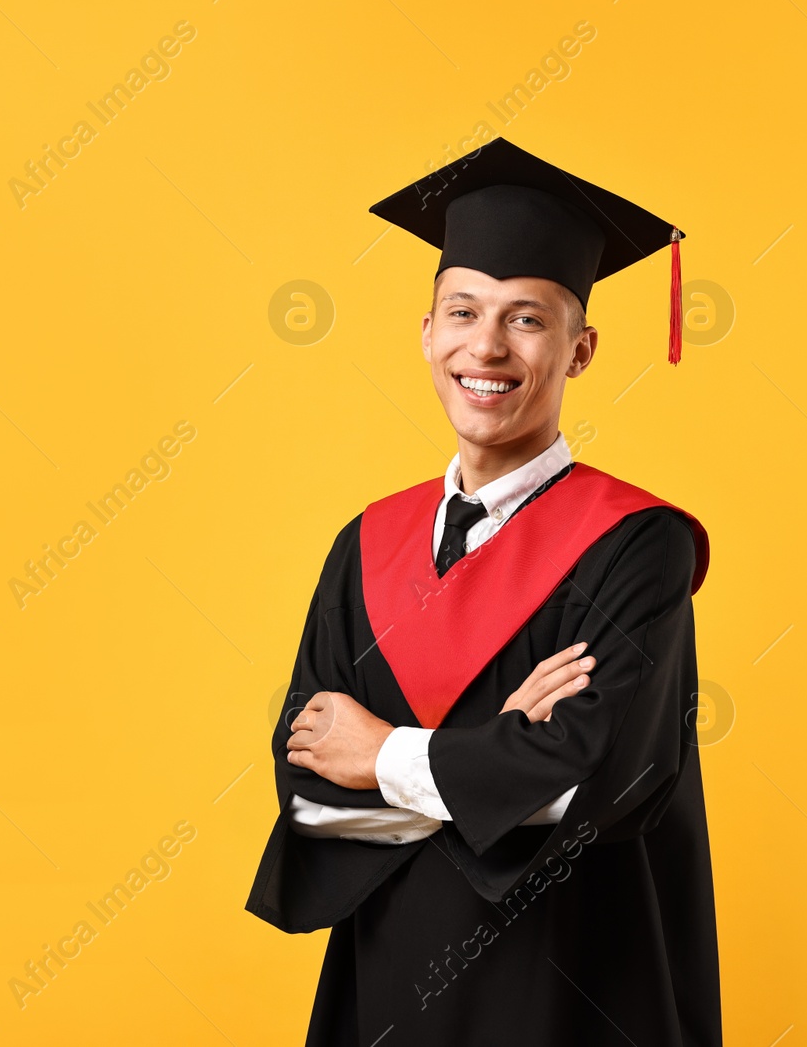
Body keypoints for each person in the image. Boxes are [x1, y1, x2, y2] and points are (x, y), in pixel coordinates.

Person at [246, 137, 721, 1046]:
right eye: (462, 310)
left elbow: (596, 786)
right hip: (387, 989)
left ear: (580, 351)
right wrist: (498, 754)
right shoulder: (366, 544)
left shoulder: (636, 545)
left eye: (527, 319)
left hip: (571, 989)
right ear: (426, 334)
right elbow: (307, 789)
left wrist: (384, 752)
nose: (487, 346)